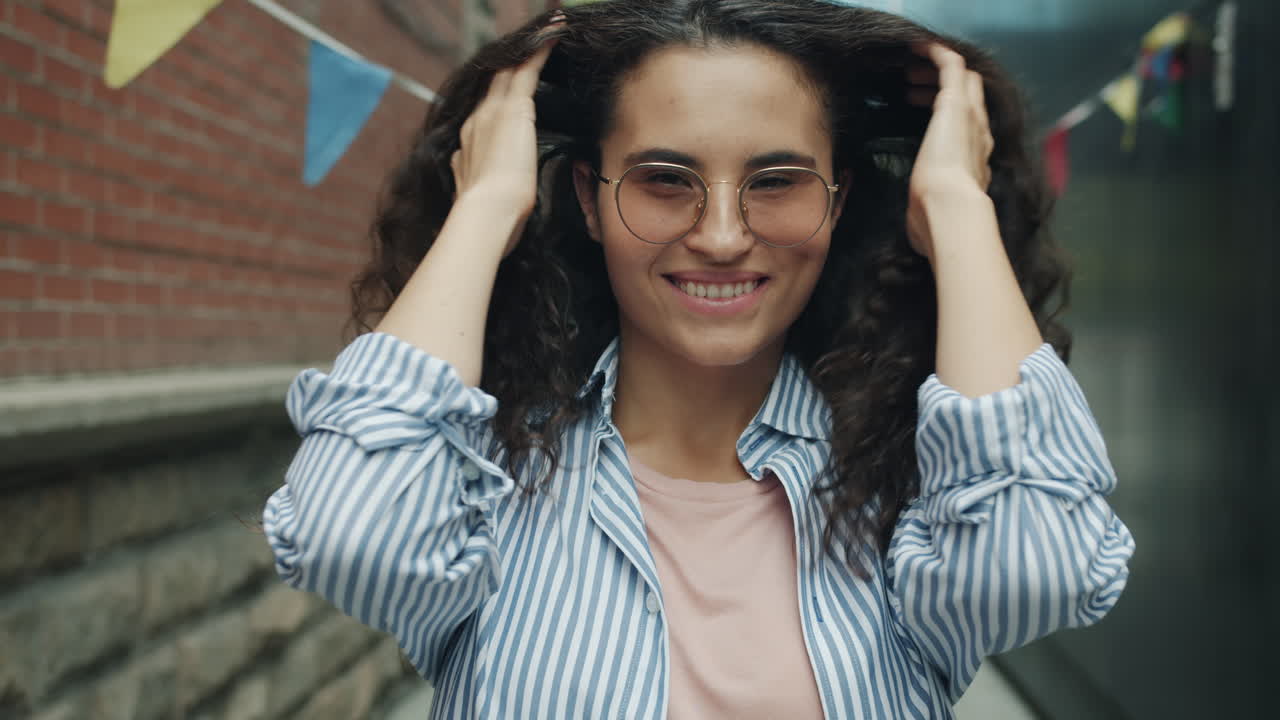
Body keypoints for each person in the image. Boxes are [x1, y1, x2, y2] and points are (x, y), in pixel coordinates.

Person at [262, 1, 1135, 717]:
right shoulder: (490, 477)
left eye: (779, 182)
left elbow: (1037, 568)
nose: (721, 236)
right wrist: (488, 206)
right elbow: (353, 541)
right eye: (664, 180)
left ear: (841, 201)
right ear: (588, 199)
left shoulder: (907, 480)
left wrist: (954, 204)